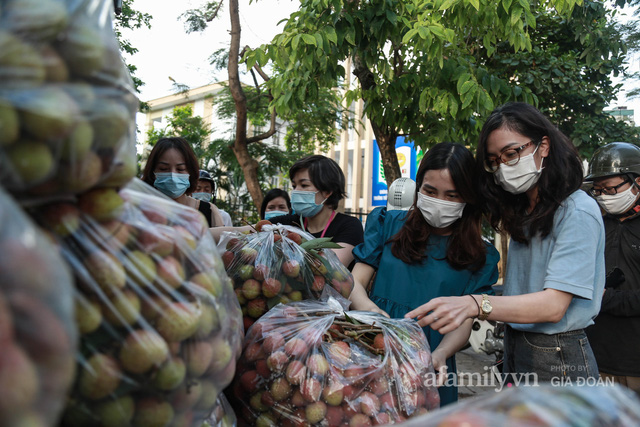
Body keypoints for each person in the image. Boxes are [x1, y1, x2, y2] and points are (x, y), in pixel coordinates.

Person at [406, 103, 605, 385]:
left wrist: (475, 303)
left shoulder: (577, 211)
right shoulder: (527, 212)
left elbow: (553, 306)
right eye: (494, 161)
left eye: (512, 154)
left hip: (557, 353)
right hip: (517, 345)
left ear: (543, 146)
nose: (503, 167)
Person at [348, 142, 500, 406]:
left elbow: (464, 322)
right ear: (418, 188)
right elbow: (354, 282)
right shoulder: (388, 223)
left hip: (430, 364)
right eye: (430, 191)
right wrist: (370, 313)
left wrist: (441, 353)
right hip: (372, 346)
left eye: (452, 195)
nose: (440, 202)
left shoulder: (481, 256)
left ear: (469, 197)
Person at [583, 142, 640, 395]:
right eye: (598, 191)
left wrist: (603, 298)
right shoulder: (595, 223)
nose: (604, 196)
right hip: (595, 360)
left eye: (610, 189)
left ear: (637, 181)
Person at [266, 155, 364, 269]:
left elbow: (329, 269)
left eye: (304, 185)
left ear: (327, 191)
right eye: (294, 186)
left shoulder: (349, 226)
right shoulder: (288, 223)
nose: (296, 191)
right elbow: (250, 230)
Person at [141, 137, 224, 227]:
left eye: (180, 169)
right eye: (163, 169)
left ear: (191, 172)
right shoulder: (139, 210)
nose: (173, 176)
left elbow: (222, 238)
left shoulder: (210, 212)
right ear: (152, 172)